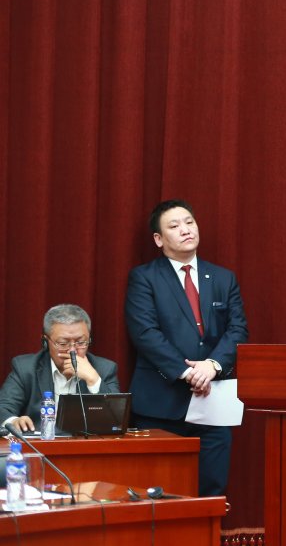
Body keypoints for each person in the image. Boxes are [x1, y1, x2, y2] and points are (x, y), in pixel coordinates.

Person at [125, 199, 249, 500]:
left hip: (213, 402)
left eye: (189, 222)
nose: (185, 230)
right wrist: (187, 372)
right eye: (174, 225)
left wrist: (212, 366)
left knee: (211, 491)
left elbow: (237, 330)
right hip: (160, 406)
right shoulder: (144, 278)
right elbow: (145, 334)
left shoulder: (223, 278)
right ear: (159, 239)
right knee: (159, 494)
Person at [0, 304, 120, 434]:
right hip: (40, 444)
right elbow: (3, 408)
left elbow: (117, 420)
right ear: (45, 342)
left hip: (85, 444)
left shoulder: (104, 369)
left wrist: (93, 380)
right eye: (63, 343)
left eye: (81, 342)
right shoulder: (26, 368)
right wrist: (13, 421)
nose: (72, 350)